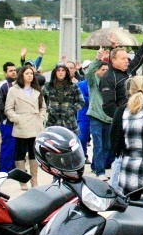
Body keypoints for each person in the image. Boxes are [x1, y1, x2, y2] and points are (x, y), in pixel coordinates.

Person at [4, 65, 47, 189]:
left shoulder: (37, 90)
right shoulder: (13, 90)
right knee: (20, 153)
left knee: (34, 154)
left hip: (35, 124)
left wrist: (42, 117)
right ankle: (22, 180)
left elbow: (43, 106)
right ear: (22, 75)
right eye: (27, 73)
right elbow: (8, 108)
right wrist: (17, 119)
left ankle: (34, 180)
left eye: (31, 73)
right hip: (21, 126)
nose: (29, 75)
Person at [87, 50, 113, 181]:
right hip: (96, 117)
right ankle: (99, 171)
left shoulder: (110, 82)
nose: (104, 72)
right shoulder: (93, 81)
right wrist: (98, 58)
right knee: (98, 145)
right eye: (102, 69)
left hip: (108, 118)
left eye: (106, 70)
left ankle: (101, 167)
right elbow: (90, 71)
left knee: (107, 146)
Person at [42, 62, 84, 134]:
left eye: (63, 70)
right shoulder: (47, 86)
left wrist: (71, 110)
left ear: (66, 72)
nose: (60, 72)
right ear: (55, 72)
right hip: (52, 121)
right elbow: (41, 102)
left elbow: (81, 101)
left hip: (69, 122)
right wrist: (49, 110)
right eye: (58, 70)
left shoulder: (73, 86)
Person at [0, 61, 18, 173]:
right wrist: (12, 115)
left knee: (16, 148)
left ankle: (14, 170)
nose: (13, 73)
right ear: (5, 73)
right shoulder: (3, 86)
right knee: (8, 147)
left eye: (15, 70)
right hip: (7, 122)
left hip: (18, 123)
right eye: (11, 71)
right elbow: (0, 105)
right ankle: (4, 171)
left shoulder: (19, 85)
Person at [76, 61, 91, 163]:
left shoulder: (99, 83)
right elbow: (82, 99)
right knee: (82, 137)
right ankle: (82, 156)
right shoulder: (81, 84)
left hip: (97, 114)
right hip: (84, 115)